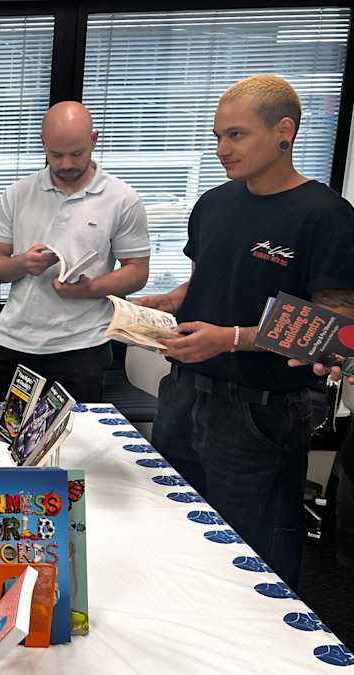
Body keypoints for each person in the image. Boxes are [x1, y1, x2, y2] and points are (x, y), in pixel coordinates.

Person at [138, 74, 354, 589]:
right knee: (175, 530)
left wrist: (233, 337)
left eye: (235, 135)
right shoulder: (214, 203)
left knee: (251, 554)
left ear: (284, 131)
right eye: (217, 136)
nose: (221, 150)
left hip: (260, 412)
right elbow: (210, 281)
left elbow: (338, 332)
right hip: (184, 394)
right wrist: (162, 305)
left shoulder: (327, 216)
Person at [0, 101, 150, 402]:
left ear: (94, 140)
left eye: (77, 154)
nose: (66, 164)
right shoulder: (17, 194)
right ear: (44, 144)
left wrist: (91, 289)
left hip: (81, 346)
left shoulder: (123, 199)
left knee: (74, 441)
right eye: (56, 154)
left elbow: (137, 271)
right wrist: (24, 263)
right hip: (11, 338)